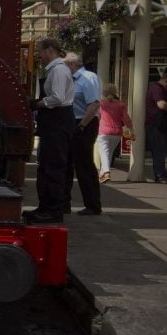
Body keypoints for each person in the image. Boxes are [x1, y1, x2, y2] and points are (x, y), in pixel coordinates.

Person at [25, 38, 75, 224]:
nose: (38, 55)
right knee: (46, 166)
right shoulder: (55, 70)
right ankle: (45, 207)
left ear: (50, 50)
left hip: (58, 121)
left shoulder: (59, 70)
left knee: (54, 167)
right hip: (54, 122)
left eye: (40, 51)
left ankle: (53, 210)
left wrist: (38, 103)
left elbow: (58, 98)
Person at [63, 53, 102, 215]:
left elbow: (93, 104)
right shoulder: (71, 79)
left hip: (84, 123)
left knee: (84, 165)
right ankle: (64, 203)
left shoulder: (88, 78)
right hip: (73, 123)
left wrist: (81, 125)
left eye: (64, 65)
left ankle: (93, 205)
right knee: (66, 164)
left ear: (72, 64)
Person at [144, 72, 167, 184]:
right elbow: (162, 105)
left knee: (159, 150)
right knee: (160, 150)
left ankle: (161, 175)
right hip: (156, 124)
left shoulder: (153, 87)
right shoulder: (158, 89)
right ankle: (161, 176)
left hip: (154, 123)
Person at [95, 83, 132, 183]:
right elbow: (126, 119)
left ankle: (106, 172)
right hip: (117, 132)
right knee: (109, 152)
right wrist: (131, 130)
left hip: (103, 132)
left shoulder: (101, 104)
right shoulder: (121, 104)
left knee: (104, 152)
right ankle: (102, 174)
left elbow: (96, 117)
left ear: (103, 92)